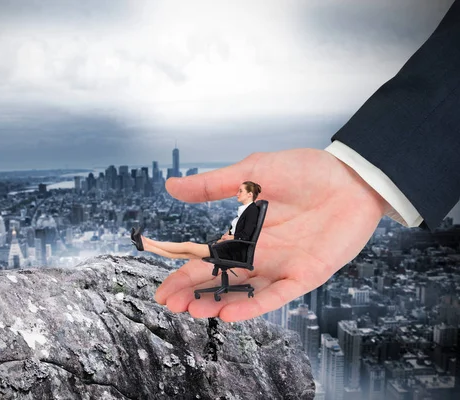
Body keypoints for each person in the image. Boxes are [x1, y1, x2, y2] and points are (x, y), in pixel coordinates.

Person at [154, 1, 460, 323]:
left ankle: (149, 244)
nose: (240, 195)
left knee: (192, 247)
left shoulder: (251, 213)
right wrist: (362, 174)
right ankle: (152, 244)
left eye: (243, 192)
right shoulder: (250, 212)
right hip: (240, 251)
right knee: (192, 247)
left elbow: (243, 241)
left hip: (240, 253)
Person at [131, 181, 261, 262]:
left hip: (232, 252)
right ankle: (145, 246)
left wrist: (229, 238)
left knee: (187, 246)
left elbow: (246, 236)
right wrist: (225, 236)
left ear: (250, 194)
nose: (237, 193)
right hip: (227, 247)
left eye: (241, 191)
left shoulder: (252, 210)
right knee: (183, 254)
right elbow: (236, 229)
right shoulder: (245, 210)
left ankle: (146, 241)